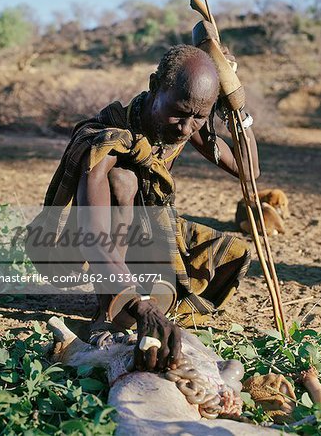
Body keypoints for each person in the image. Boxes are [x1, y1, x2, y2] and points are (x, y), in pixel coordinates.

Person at [26, 44, 259, 372]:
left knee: (228, 254)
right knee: (124, 181)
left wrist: (237, 108)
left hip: (144, 231)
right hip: (80, 241)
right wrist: (142, 305)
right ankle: (105, 316)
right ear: (154, 86)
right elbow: (93, 235)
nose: (186, 128)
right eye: (180, 113)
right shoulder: (108, 140)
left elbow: (249, 171)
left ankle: (135, 295)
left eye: (199, 117)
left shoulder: (183, 123)